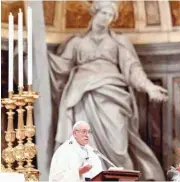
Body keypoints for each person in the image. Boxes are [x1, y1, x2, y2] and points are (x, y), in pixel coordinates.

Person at [48, 1, 168, 180]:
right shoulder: (77, 42)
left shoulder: (118, 41)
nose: (107, 18)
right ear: (94, 13)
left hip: (112, 93)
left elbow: (133, 69)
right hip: (81, 95)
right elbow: (61, 66)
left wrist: (149, 88)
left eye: (111, 15)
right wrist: (38, 53)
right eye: (104, 13)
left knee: (118, 147)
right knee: (83, 148)